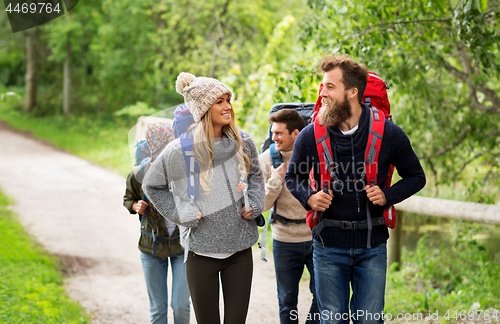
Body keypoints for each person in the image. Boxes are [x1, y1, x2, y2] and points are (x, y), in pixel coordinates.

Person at [285, 54, 426, 324]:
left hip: (372, 245)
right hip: (327, 245)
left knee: (369, 321)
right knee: (332, 320)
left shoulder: (389, 133)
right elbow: (293, 177)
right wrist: (310, 197)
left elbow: (416, 176)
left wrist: (388, 195)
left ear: (352, 92)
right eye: (322, 85)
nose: (321, 93)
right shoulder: (311, 134)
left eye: (329, 86)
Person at [142, 72, 265, 324]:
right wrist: (180, 213)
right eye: (219, 101)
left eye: (227, 99)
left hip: (239, 250)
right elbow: (152, 185)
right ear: (203, 108)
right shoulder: (180, 149)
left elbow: (255, 177)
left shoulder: (244, 141)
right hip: (201, 253)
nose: (227, 106)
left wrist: (253, 203)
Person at [123, 122, 191, 324]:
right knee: (158, 310)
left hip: (181, 246)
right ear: (156, 145)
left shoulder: (187, 172)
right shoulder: (138, 175)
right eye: (171, 142)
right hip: (151, 247)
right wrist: (135, 206)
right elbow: (128, 199)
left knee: (180, 305)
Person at [259, 109, 319, 324]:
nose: (273, 138)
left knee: (321, 295)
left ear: (296, 133)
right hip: (284, 238)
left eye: (279, 133)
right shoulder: (267, 160)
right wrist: (276, 179)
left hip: (315, 237)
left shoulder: (316, 156)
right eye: (272, 133)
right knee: (286, 300)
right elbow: (262, 205)